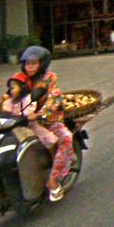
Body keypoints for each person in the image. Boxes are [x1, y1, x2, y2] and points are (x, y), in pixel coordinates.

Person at [18, 46, 75, 203]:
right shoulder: (21, 80)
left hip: (48, 120)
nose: (29, 67)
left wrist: (40, 114)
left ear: (41, 64)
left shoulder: (49, 78)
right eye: (27, 64)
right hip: (24, 120)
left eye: (33, 64)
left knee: (66, 138)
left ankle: (53, 181)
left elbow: (55, 98)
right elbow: (11, 95)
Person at [0, 72, 58, 150]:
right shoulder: (9, 102)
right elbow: (5, 114)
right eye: (10, 88)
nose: (11, 91)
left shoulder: (28, 99)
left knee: (49, 140)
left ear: (22, 88)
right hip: (14, 128)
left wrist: (28, 116)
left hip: (30, 126)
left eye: (13, 88)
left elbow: (29, 113)